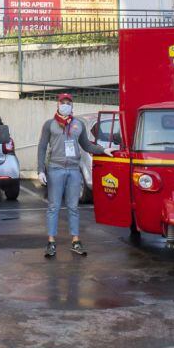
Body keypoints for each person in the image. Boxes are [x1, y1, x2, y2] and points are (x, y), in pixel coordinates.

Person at [38, 93, 115, 258]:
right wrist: (40, 170)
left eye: (68, 103)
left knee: (73, 207)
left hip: (74, 170)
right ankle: (51, 242)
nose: (65, 105)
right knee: (54, 206)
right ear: (58, 105)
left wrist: (102, 150)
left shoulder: (78, 124)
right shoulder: (49, 125)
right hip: (55, 169)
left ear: (73, 106)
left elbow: (86, 145)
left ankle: (75, 241)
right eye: (62, 102)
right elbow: (42, 147)